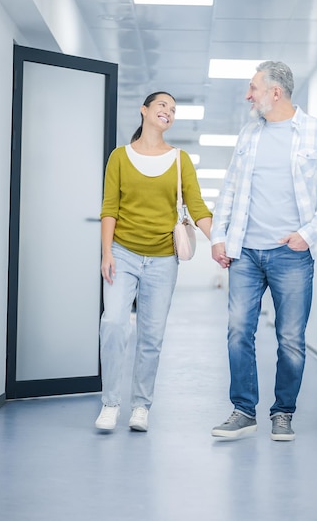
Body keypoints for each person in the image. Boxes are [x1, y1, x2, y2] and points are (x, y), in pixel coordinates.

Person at [210, 61, 317, 441]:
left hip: (292, 254)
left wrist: (309, 232)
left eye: (253, 88)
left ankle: (283, 412)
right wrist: (219, 236)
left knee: (291, 339)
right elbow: (231, 190)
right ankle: (243, 410)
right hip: (246, 252)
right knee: (239, 330)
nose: (247, 95)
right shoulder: (249, 134)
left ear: (275, 92)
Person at [95, 91, 212, 432]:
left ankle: (141, 407)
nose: (169, 111)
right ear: (144, 111)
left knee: (151, 335)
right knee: (114, 323)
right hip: (122, 253)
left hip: (163, 258)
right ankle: (110, 403)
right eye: (162, 105)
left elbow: (198, 206)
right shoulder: (119, 157)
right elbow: (109, 208)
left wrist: (219, 241)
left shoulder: (180, 159)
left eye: (173, 110)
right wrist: (106, 252)